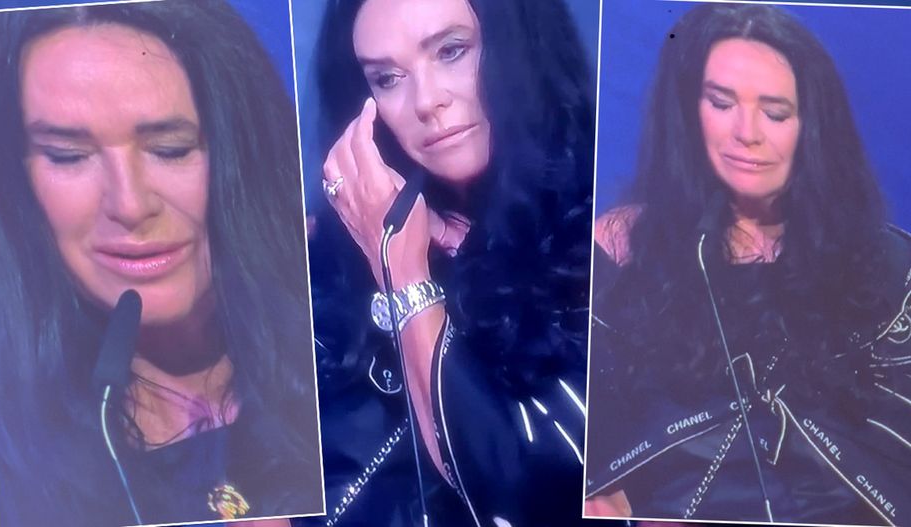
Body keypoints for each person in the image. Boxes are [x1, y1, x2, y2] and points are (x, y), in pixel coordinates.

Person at [0, 2, 320, 526]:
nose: (131, 205)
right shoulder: (6, 462)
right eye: (69, 156)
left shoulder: (346, 356)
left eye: (170, 149)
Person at [586, 4, 911, 525]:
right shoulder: (623, 252)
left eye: (775, 113)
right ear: (689, 111)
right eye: (721, 103)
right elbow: (587, 463)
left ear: (813, 127)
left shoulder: (890, 270)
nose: (746, 133)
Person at [303, 0, 606, 525]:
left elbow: (519, 498)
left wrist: (402, 272)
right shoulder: (319, 268)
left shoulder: (605, 242)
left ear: (518, 44)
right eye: (387, 78)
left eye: (451, 51)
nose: (427, 102)